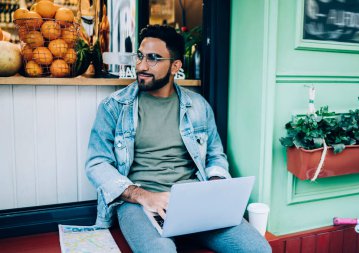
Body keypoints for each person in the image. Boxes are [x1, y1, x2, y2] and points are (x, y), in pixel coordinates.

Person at [86, 24, 271, 253]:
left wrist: (214, 188)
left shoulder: (198, 106)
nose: (142, 66)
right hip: (140, 203)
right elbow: (97, 164)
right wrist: (143, 196)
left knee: (257, 249)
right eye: (140, 56)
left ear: (175, 66)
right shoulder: (114, 107)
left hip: (193, 199)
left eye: (153, 58)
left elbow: (215, 155)